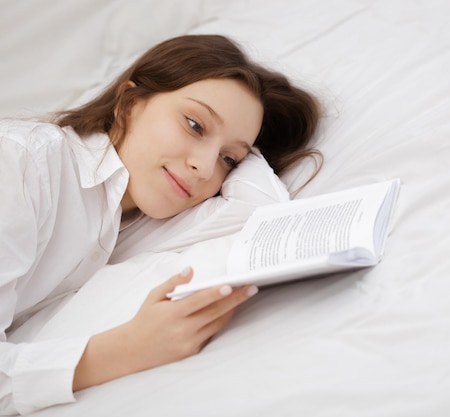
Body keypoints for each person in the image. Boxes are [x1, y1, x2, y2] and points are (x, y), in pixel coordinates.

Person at [0, 34, 321, 415]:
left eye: (229, 160)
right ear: (129, 103)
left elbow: (259, 212)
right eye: (194, 125)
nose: (205, 167)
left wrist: (244, 150)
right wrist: (127, 348)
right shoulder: (22, 164)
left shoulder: (130, 217)